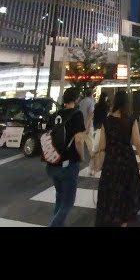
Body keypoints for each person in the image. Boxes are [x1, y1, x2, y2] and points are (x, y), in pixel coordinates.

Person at [95, 91, 140, 226]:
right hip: (127, 162)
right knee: (126, 198)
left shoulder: (106, 121)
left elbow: (101, 147)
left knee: (112, 197)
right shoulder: (130, 119)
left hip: (111, 162)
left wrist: (99, 163)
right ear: (126, 103)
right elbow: (138, 143)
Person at [46, 87, 85, 227]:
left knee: (60, 197)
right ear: (76, 99)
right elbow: (79, 140)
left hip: (53, 161)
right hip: (69, 163)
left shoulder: (55, 114)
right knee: (68, 203)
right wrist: (82, 156)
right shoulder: (77, 114)